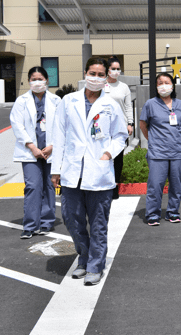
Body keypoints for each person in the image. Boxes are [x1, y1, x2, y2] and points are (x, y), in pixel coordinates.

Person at [50, 57, 128, 286]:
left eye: (100, 74)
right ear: (85, 73)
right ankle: (83, 257)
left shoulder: (111, 104)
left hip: (99, 172)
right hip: (73, 172)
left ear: (106, 78)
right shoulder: (69, 101)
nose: (95, 78)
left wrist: (108, 154)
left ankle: (94, 265)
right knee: (71, 219)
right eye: (92, 73)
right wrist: (56, 169)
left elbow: (121, 136)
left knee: (98, 223)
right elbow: (59, 135)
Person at [10, 67, 61, 239]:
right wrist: (33, 147)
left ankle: (46, 223)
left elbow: (63, 126)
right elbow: (17, 125)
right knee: (32, 186)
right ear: (29, 81)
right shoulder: (21, 101)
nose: (37, 82)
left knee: (49, 186)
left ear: (47, 80)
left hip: (51, 151)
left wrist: (53, 146)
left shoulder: (56, 100)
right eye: (33, 79)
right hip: (30, 151)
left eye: (40, 79)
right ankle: (30, 225)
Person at [139, 73, 181, 226]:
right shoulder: (150, 104)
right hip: (157, 153)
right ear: (156, 87)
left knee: (176, 185)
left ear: (172, 85)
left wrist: (174, 137)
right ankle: (152, 214)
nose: (163, 85)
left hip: (176, 152)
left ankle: (173, 212)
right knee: (155, 185)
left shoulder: (180, 104)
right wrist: (153, 140)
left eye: (166, 82)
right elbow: (143, 125)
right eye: (160, 83)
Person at [105, 57, 133, 199]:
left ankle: (115, 186)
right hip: (103, 127)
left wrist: (130, 123)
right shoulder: (101, 85)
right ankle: (105, 185)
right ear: (107, 70)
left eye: (118, 69)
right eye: (113, 69)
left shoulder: (124, 87)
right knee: (105, 156)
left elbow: (128, 107)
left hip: (120, 127)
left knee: (118, 158)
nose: (116, 71)